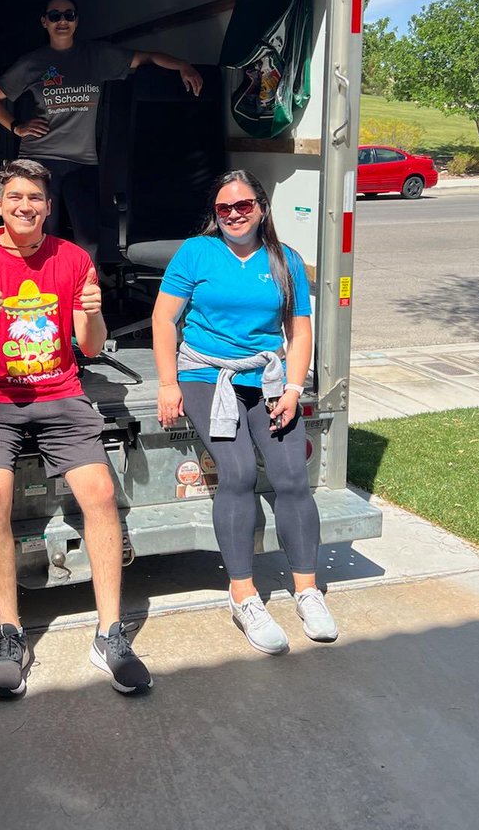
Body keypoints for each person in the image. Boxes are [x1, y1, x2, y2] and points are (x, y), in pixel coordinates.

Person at [0, 158, 152, 698]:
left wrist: (94, 312)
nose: (25, 207)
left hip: (60, 393)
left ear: (48, 207)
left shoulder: (73, 259)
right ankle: (10, 634)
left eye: (35, 198)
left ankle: (109, 633)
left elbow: (91, 348)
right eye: (15, 197)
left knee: (101, 493)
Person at [152, 169, 338, 655]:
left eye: (243, 205)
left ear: (261, 207)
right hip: (205, 375)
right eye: (223, 208)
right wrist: (168, 382)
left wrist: (294, 389)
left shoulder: (285, 260)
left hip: (268, 378)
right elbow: (164, 318)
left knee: (292, 477)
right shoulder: (196, 252)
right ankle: (244, 595)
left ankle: (306, 590)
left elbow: (298, 330)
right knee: (235, 474)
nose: (234, 214)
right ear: (214, 214)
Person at [0, 0, 203, 259]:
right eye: (54, 16)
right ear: (44, 21)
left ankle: (85, 296)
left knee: (89, 239)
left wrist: (183, 65)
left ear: (77, 20)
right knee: (40, 234)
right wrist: (17, 126)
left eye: (69, 15)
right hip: (39, 159)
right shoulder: (33, 63)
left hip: (82, 161)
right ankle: (40, 295)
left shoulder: (97, 56)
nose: (62, 20)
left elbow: (147, 58)